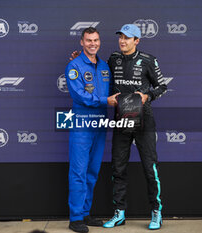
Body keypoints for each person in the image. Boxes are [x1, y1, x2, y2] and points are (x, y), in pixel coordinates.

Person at [102, 24, 167, 230]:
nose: (123, 41)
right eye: (120, 37)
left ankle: (156, 212)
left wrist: (148, 96)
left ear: (136, 40)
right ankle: (119, 213)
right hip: (121, 119)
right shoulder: (113, 58)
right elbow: (100, 74)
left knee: (150, 167)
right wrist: (78, 60)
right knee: (118, 167)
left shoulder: (148, 60)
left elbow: (162, 86)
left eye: (127, 38)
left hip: (144, 119)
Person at [65, 27, 118, 233]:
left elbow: (114, 91)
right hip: (81, 126)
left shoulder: (104, 66)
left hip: (100, 125)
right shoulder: (74, 66)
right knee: (78, 171)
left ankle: (85, 213)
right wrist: (105, 101)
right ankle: (75, 217)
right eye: (88, 40)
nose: (92, 44)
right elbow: (79, 96)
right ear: (81, 42)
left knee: (92, 171)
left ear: (99, 42)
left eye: (96, 40)